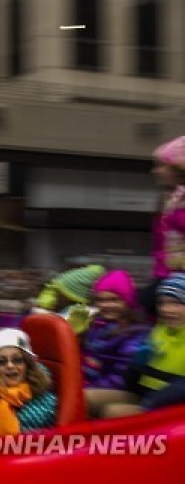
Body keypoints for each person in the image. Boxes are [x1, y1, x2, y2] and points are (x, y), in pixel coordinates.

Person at [85, 272, 185, 418]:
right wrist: (136, 367)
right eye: (162, 303)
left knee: (113, 413)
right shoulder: (158, 331)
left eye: (176, 303)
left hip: (172, 408)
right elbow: (131, 384)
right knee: (83, 398)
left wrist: (150, 403)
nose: (167, 309)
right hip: (144, 395)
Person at [139, 136, 185, 317]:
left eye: (161, 165)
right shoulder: (168, 201)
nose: (155, 171)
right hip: (165, 277)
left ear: (179, 168)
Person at [81, 270, 150, 390]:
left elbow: (121, 377)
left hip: (115, 389)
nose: (105, 305)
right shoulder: (96, 325)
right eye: (100, 300)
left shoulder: (136, 333)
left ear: (127, 302)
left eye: (114, 300)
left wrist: (85, 387)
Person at [33, 264, 106, 334]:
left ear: (70, 296)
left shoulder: (84, 316)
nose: (53, 295)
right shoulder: (58, 312)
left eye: (58, 291)